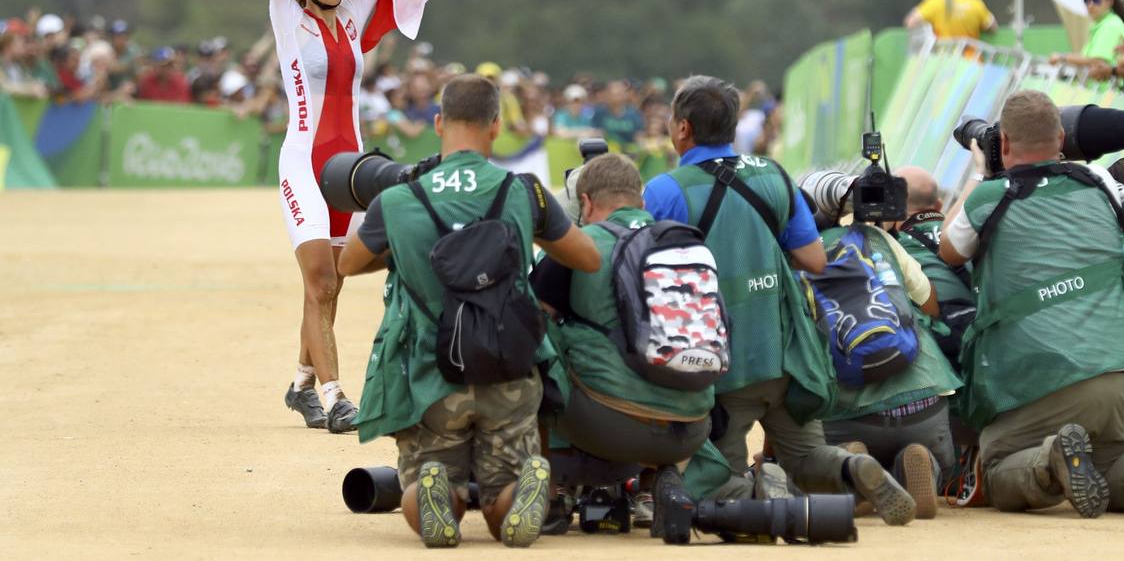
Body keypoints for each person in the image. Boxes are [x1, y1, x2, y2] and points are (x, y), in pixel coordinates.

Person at [338, 74, 601, 547]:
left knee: (425, 479)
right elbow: (587, 257)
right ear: (496, 126)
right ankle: (515, 494)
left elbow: (347, 262)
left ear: (438, 122)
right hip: (509, 368)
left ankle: (436, 491)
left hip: (431, 375)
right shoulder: (525, 192)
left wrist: (409, 247)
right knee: (504, 494)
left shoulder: (398, 199)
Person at [643, 75, 916, 524]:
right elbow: (813, 259)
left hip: (722, 365)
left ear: (683, 129)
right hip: (788, 354)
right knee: (808, 457)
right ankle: (853, 467)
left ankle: (754, 488)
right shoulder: (773, 175)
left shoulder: (664, 191)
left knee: (712, 480)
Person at [938, 89, 1124, 519]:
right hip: (1120, 374)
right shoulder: (1100, 181)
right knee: (1113, 462)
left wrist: (980, 173)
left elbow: (949, 250)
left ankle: (1052, 458)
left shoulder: (989, 196)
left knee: (996, 464)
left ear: (1006, 144)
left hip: (1039, 379)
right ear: (1059, 136)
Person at [266, 0, 441, 434]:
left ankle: (300, 384)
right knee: (319, 280)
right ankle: (338, 395)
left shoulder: (353, 12)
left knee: (331, 283)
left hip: (349, 166)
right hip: (304, 162)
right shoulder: (285, 18)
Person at [529, 153, 714, 525]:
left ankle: (549, 496)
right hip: (691, 429)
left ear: (585, 203)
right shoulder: (685, 245)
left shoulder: (579, 243)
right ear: (642, 201)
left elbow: (532, 323)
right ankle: (652, 486)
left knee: (535, 333)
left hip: (606, 423)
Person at [802, 169, 960, 520]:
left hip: (851, 415)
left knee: (812, 461)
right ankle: (921, 462)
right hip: (924, 406)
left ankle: (849, 462)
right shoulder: (876, 239)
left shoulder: (795, 258)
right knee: (936, 454)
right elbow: (931, 304)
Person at [1049, 0, 1124, 79]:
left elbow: (1098, 61)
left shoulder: (1111, 25)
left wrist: (1062, 58)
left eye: (1096, 0)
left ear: (1110, 1)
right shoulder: (1100, 24)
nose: (1091, 5)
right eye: (1086, 1)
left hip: (1107, 92)